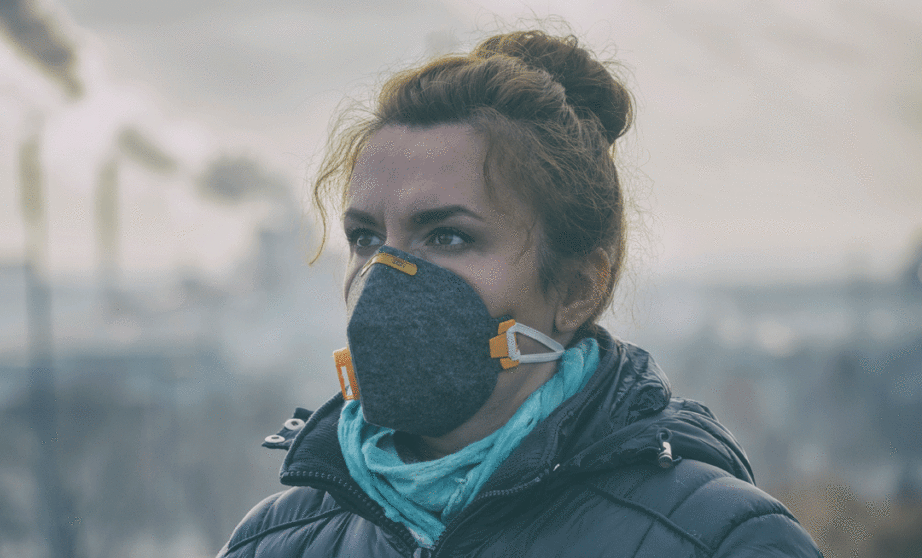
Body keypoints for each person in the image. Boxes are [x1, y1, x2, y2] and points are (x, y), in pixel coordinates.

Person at [217, 29, 823, 557]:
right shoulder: (273, 543)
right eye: (366, 236)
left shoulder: (721, 541)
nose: (386, 275)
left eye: (448, 236)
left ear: (579, 288)